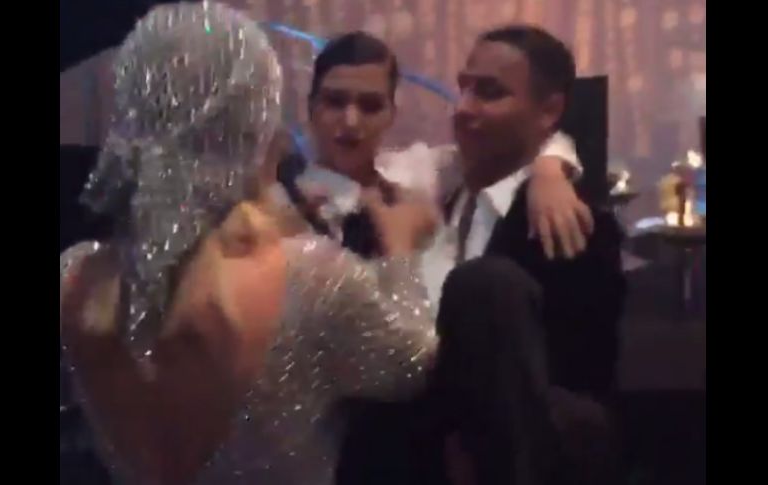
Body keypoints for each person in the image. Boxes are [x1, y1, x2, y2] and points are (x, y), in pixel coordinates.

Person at [59, 4, 441, 484]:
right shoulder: (309, 278)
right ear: (257, 121)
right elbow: (411, 364)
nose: (350, 120)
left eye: (370, 105)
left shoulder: (73, 276)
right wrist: (402, 253)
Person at [273, 31, 597, 485]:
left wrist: (550, 170)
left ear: (391, 113)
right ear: (310, 107)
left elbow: (529, 139)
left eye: (370, 105)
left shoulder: (416, 175)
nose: (350, 121)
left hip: (438, 425)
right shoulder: (282, 206)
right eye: (334, 101)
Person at [433, 25, 627, 485]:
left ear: (550, 110)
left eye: (490, 93)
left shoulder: (571, 223)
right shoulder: (441, 188)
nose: (463, 108)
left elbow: (577, 387)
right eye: (463, 87)